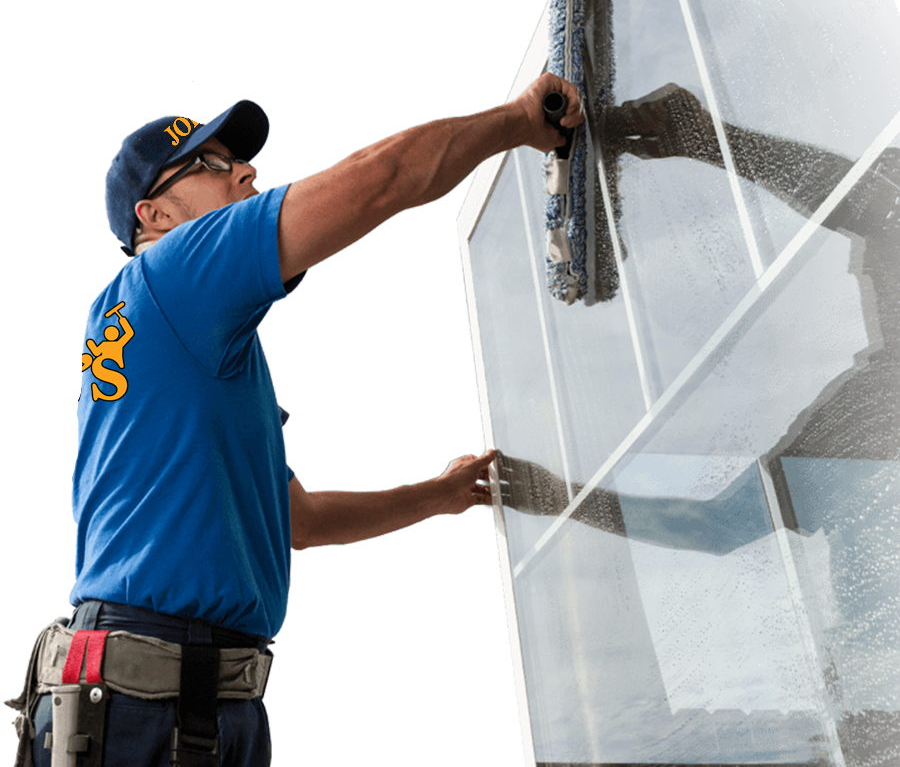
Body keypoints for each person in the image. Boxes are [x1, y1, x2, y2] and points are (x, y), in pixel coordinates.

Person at [6, 73, 585, 767]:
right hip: (151, 703)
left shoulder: (178, 339)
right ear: (153, 215)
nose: (248, 172)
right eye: (214, 165)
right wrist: (519, 121)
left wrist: (443, 494)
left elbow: (297, 521)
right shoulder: (177, 275)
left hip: (180, 698)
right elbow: (382, 179)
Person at [497, 83, 898, 766]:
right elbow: (876, 204)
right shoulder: (874, 409)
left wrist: (560, 500)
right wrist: (711, 141)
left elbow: (877, 204)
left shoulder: (874, 412)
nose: (860, 261)